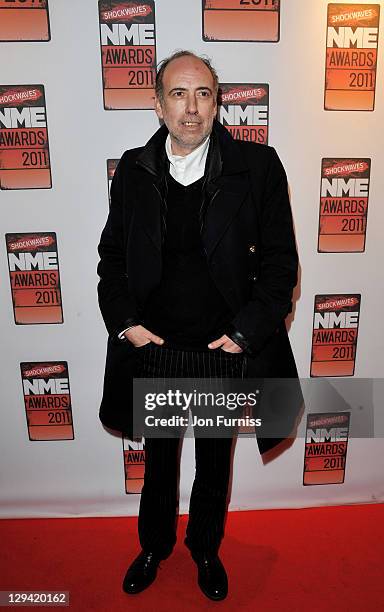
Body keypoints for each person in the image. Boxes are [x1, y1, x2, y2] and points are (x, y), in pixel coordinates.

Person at [97, 50, 300, 601]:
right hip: (156, 348)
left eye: (204, 94)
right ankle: (154, 546)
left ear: (217, 103)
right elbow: (111, 260)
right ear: (158, 104)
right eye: (179, 95)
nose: (192, 108)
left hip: (224, 350)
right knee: (158, 462)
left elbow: (281, 264)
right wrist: (127, 325)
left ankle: (205, 549)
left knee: (214, 459)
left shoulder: (256, 167)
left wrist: (244, 333)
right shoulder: (134, 170)